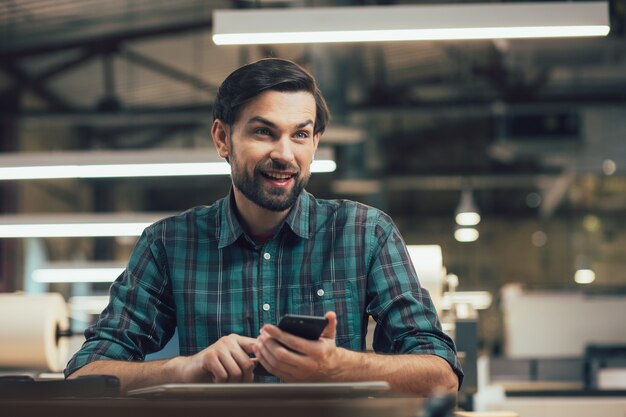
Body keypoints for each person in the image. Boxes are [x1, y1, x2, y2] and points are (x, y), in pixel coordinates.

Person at [65, 58, 463, 395]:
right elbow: (85, 375)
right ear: (223, 138)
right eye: (263, 132)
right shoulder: (169, 244)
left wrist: (338, 366)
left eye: (300, 135)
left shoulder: (365, 232)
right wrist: (184, 369)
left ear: (315, 142)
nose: (285, 154)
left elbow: (441, 376)